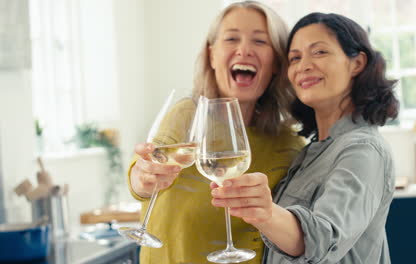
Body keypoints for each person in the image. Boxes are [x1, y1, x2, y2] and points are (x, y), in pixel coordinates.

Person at [210, 12, 399, 264]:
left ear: (357, 63)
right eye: (294, 58)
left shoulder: (363, 149)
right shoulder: (308, 153)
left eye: (319, 52)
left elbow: (323, 237)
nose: (303, 66)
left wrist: (266, 213)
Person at [127, 1, 305, 263]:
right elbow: (144, 172)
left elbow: (299, 234)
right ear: (212, 55)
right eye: (231, 38)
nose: (244, 50)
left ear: (277, 61)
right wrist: (141, 178)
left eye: (260, 41)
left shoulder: (289, 144)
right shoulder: (187, 114)